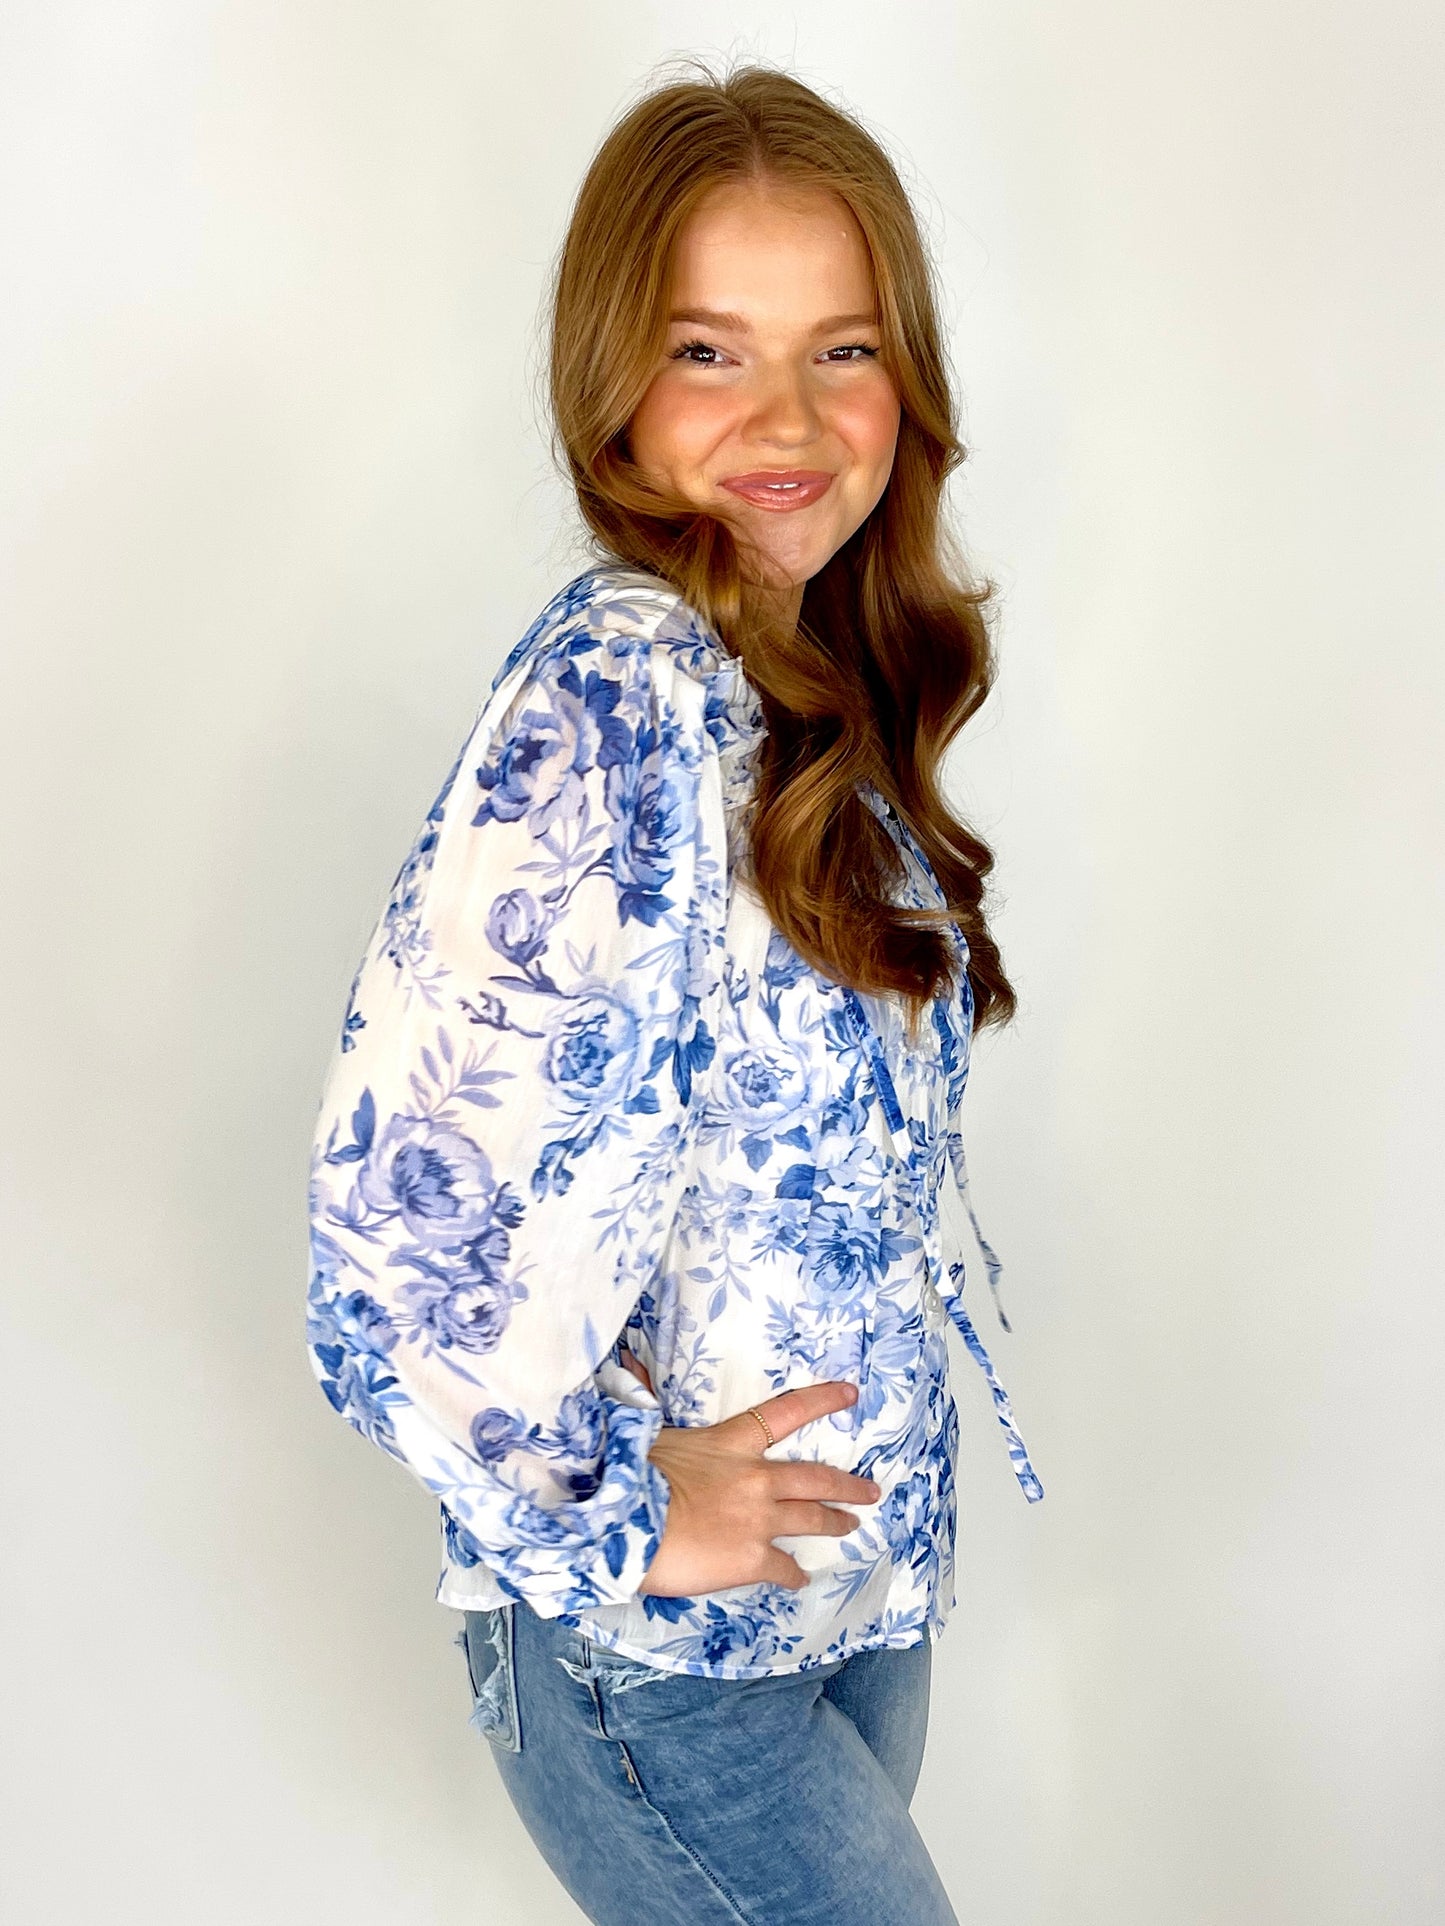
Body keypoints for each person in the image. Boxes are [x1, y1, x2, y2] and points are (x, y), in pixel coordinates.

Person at [306, 58, 1044, 1926]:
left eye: (841, 349)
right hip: (662, 1653)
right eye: (709, 351)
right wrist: (625, 1510)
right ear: (612, 381)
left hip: (841, 1594)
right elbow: (397, 1244)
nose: (786, 418)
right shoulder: (621, 692)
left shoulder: (803, 690)